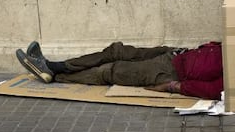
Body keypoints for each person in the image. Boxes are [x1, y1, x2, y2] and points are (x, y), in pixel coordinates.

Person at [16, 41, 223, 100]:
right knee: (118, 50)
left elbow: (215, 90)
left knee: (112, 70)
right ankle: (55, 66)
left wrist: (174, 86)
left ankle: (55, 74)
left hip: (170, 71)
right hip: (176, 54)